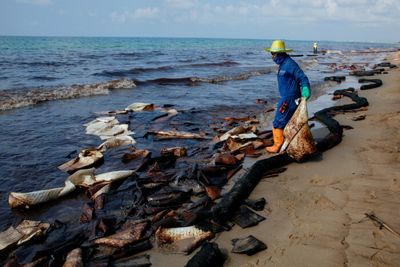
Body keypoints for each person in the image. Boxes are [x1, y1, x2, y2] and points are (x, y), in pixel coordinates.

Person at [264, 39, 311, 153]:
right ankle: (288, 142)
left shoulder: (290, 64)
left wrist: (305, 89)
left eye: (273, 54)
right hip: (288, 98)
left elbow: (302, 78)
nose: (272, 57)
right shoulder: (283, 64)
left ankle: (278, 145)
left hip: (289, 99)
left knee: (278, 121)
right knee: (288, 121)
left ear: (279, 53)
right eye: (271, 54)